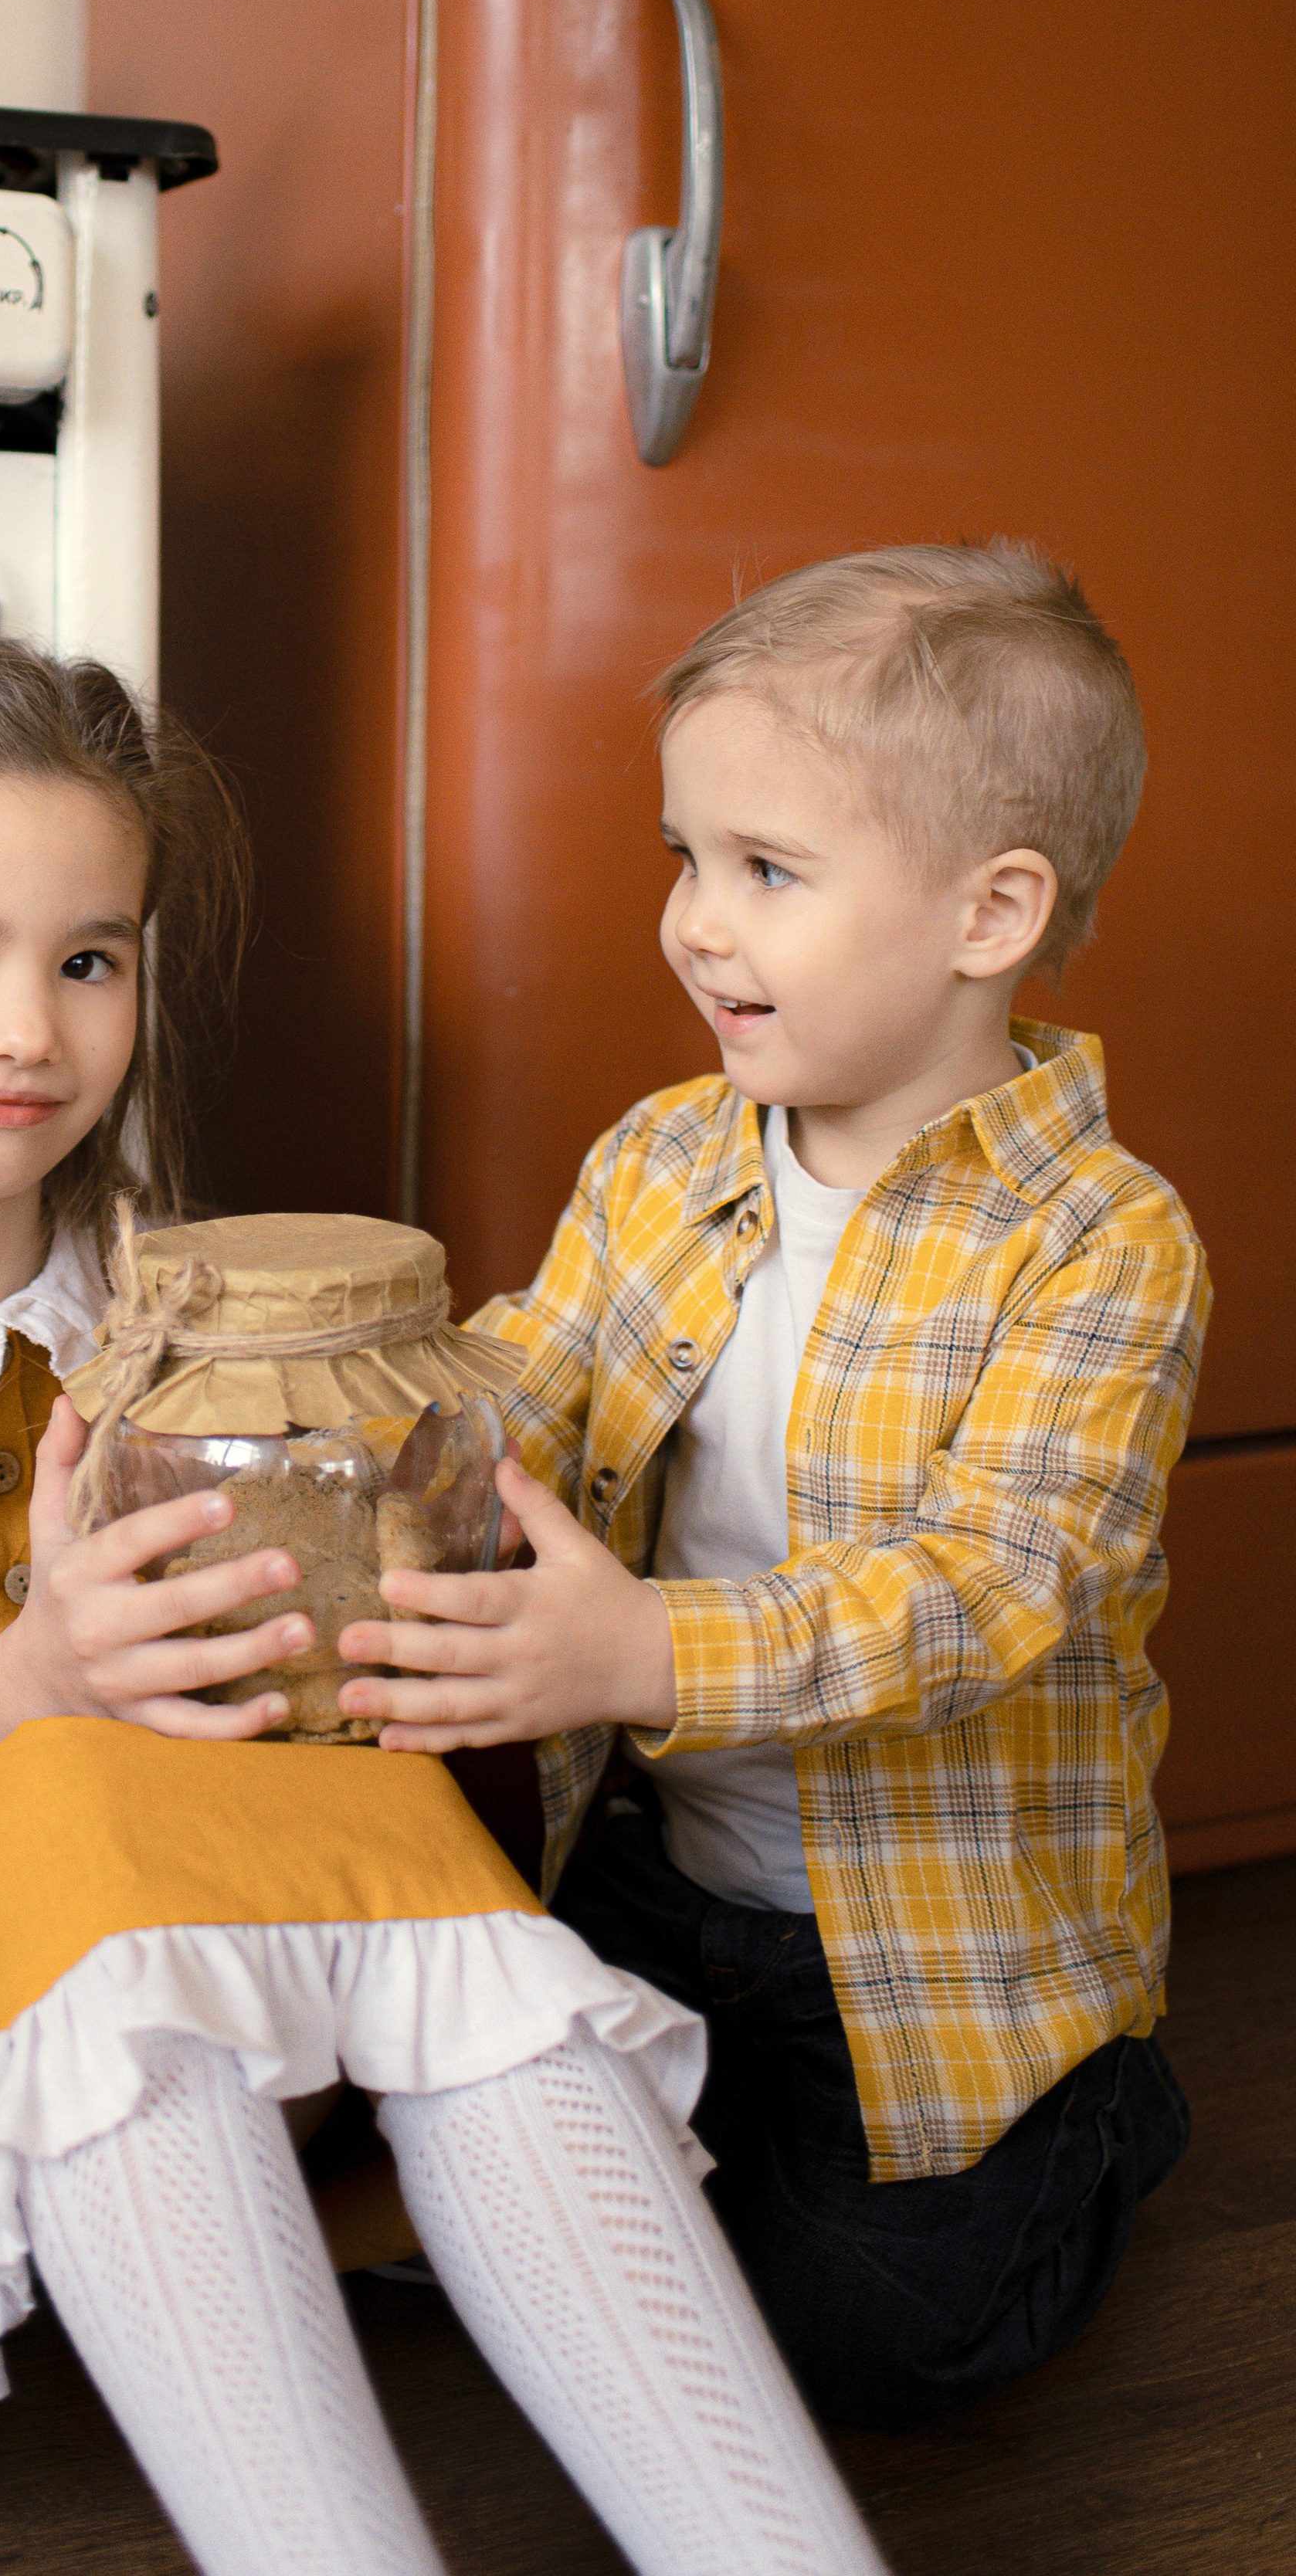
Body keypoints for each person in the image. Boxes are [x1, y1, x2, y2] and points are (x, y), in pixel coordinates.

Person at [0, 636, 883, 2576]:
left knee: (348, 1830)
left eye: (88, 958)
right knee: (78, 1825)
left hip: (147, 1917)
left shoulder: (168, 1300)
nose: (25, 1026)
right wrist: (17, 1684)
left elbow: (276, 1702)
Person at [334, 541, 1206, 2430]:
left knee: (870, 2341)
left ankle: (1094, 2111)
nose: (694, 925)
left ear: (987, 914)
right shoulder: (666, 1150)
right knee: (475, 2179)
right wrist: (353, 1422)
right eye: (685, 856)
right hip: (654, 1879)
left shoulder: (1100, 1243)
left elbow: (992, 1586)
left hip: (918, 1953)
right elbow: (535, 1378)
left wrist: (638, 1641)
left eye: (766, 872)